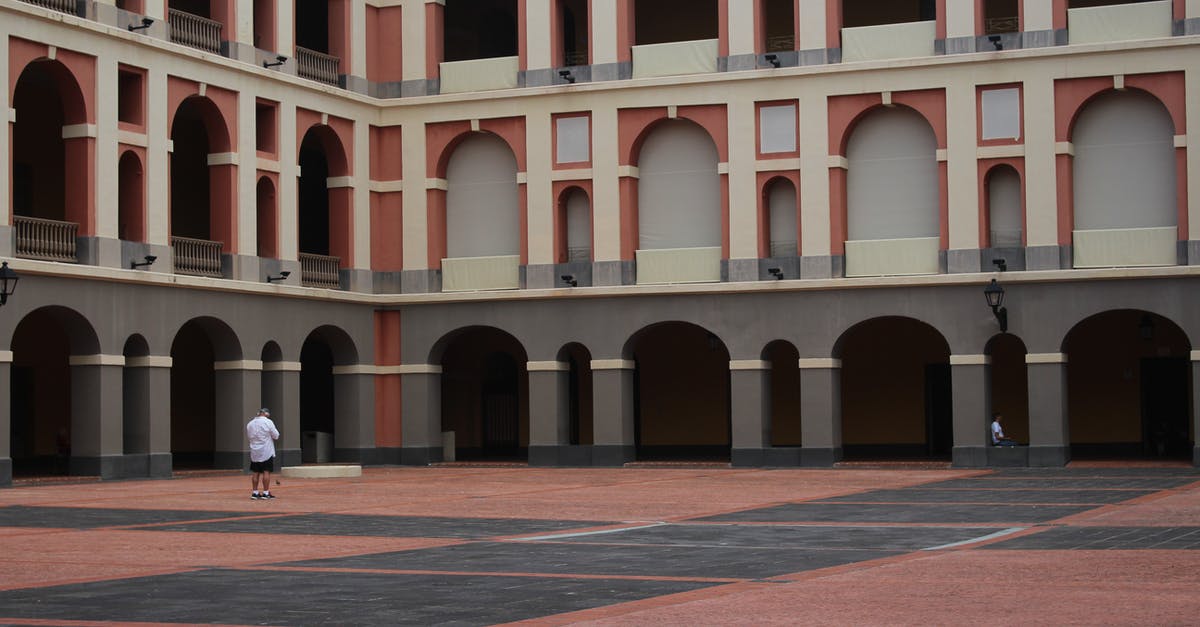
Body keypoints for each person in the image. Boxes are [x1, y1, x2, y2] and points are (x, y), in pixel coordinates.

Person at [246, 408, 280, 499]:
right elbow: (276, 435)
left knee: (255, 471)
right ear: (266, 414)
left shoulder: (250, 423)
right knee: (266, 471)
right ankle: (265, 492)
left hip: (254, 451)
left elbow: (249, 436)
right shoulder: (268, 422)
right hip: (266, 451)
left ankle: (255, 492)